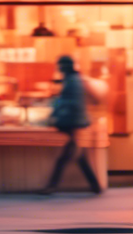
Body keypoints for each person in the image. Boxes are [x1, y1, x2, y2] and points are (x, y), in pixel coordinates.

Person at [39, 56, 102, 195]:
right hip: (76, 122)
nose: (59, 68)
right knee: (80, 156)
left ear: (65, 66)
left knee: (66, 157)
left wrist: (54, 114)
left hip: (73, 122)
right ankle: (96, 186)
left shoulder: (71, 80)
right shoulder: (74, 79)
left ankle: (52, 186)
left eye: (60, 66)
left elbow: (66, 102)